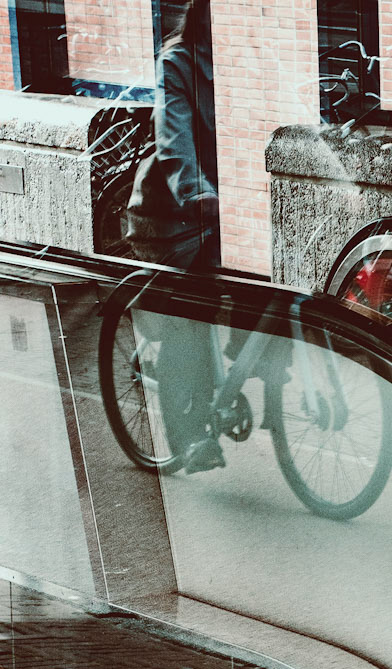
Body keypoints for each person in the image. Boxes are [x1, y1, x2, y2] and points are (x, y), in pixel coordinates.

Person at [124, 0, 222, 472]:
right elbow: (173, 134)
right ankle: (190, 438)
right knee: (190, 318)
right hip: (172, 212)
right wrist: (197, 190)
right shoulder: (177, 61)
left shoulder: (249, 58)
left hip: (227, 206)